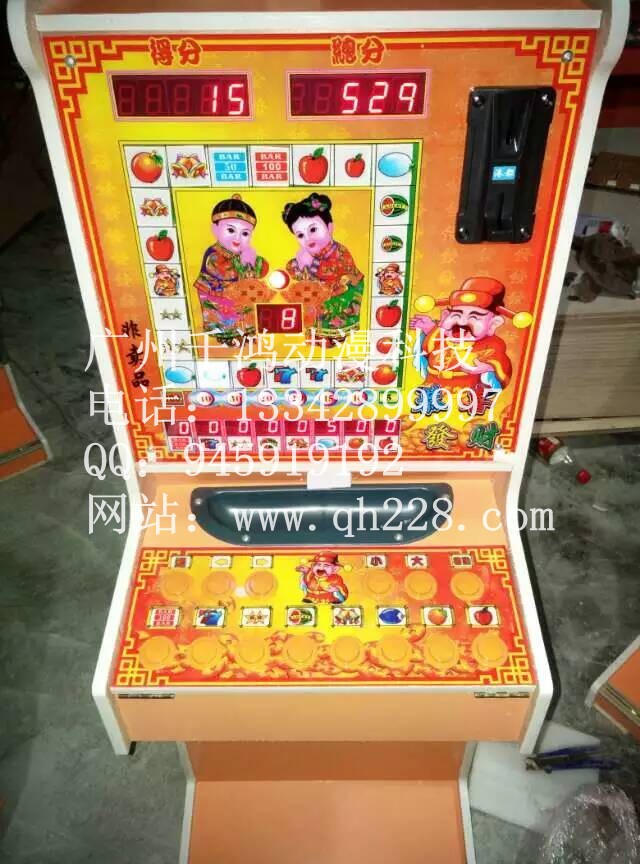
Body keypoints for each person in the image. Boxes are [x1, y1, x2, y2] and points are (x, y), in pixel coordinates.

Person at [410, 277, 521, 416]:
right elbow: (428, 350)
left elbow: (499, 364)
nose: (462, 322)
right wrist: (430, 329)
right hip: (432, 389)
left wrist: (488, 367)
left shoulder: (491, 345)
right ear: (445, 316)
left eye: (474, 317)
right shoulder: (441, 335)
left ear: (493, 324)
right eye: (456, 314)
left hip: (467, 393)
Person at [282, 193, 364, 342]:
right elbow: (296, 272)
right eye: (300, 235)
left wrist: (307, 266)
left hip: (342, 292)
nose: (308, 238)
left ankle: (334, 336)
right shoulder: (309, 254)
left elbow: (330, 275)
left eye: (313, 230)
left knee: (328, 311)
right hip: (322, 293)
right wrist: (300, 264)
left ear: (329, 227)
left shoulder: (339, 252)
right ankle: (317, 334)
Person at [193, 194, 268, 337]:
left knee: (246, 310)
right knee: (227, 320)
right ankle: (227, 335)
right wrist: (245, 263)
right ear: (215, 229)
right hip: (216, 295)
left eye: (245, 233)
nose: (237, 238)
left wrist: (253, 260)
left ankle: (245, 332)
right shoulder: (214, 254)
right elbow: (226, 272)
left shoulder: (242, 253)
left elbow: (261, 270)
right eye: (231, 230)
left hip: (236, 295)